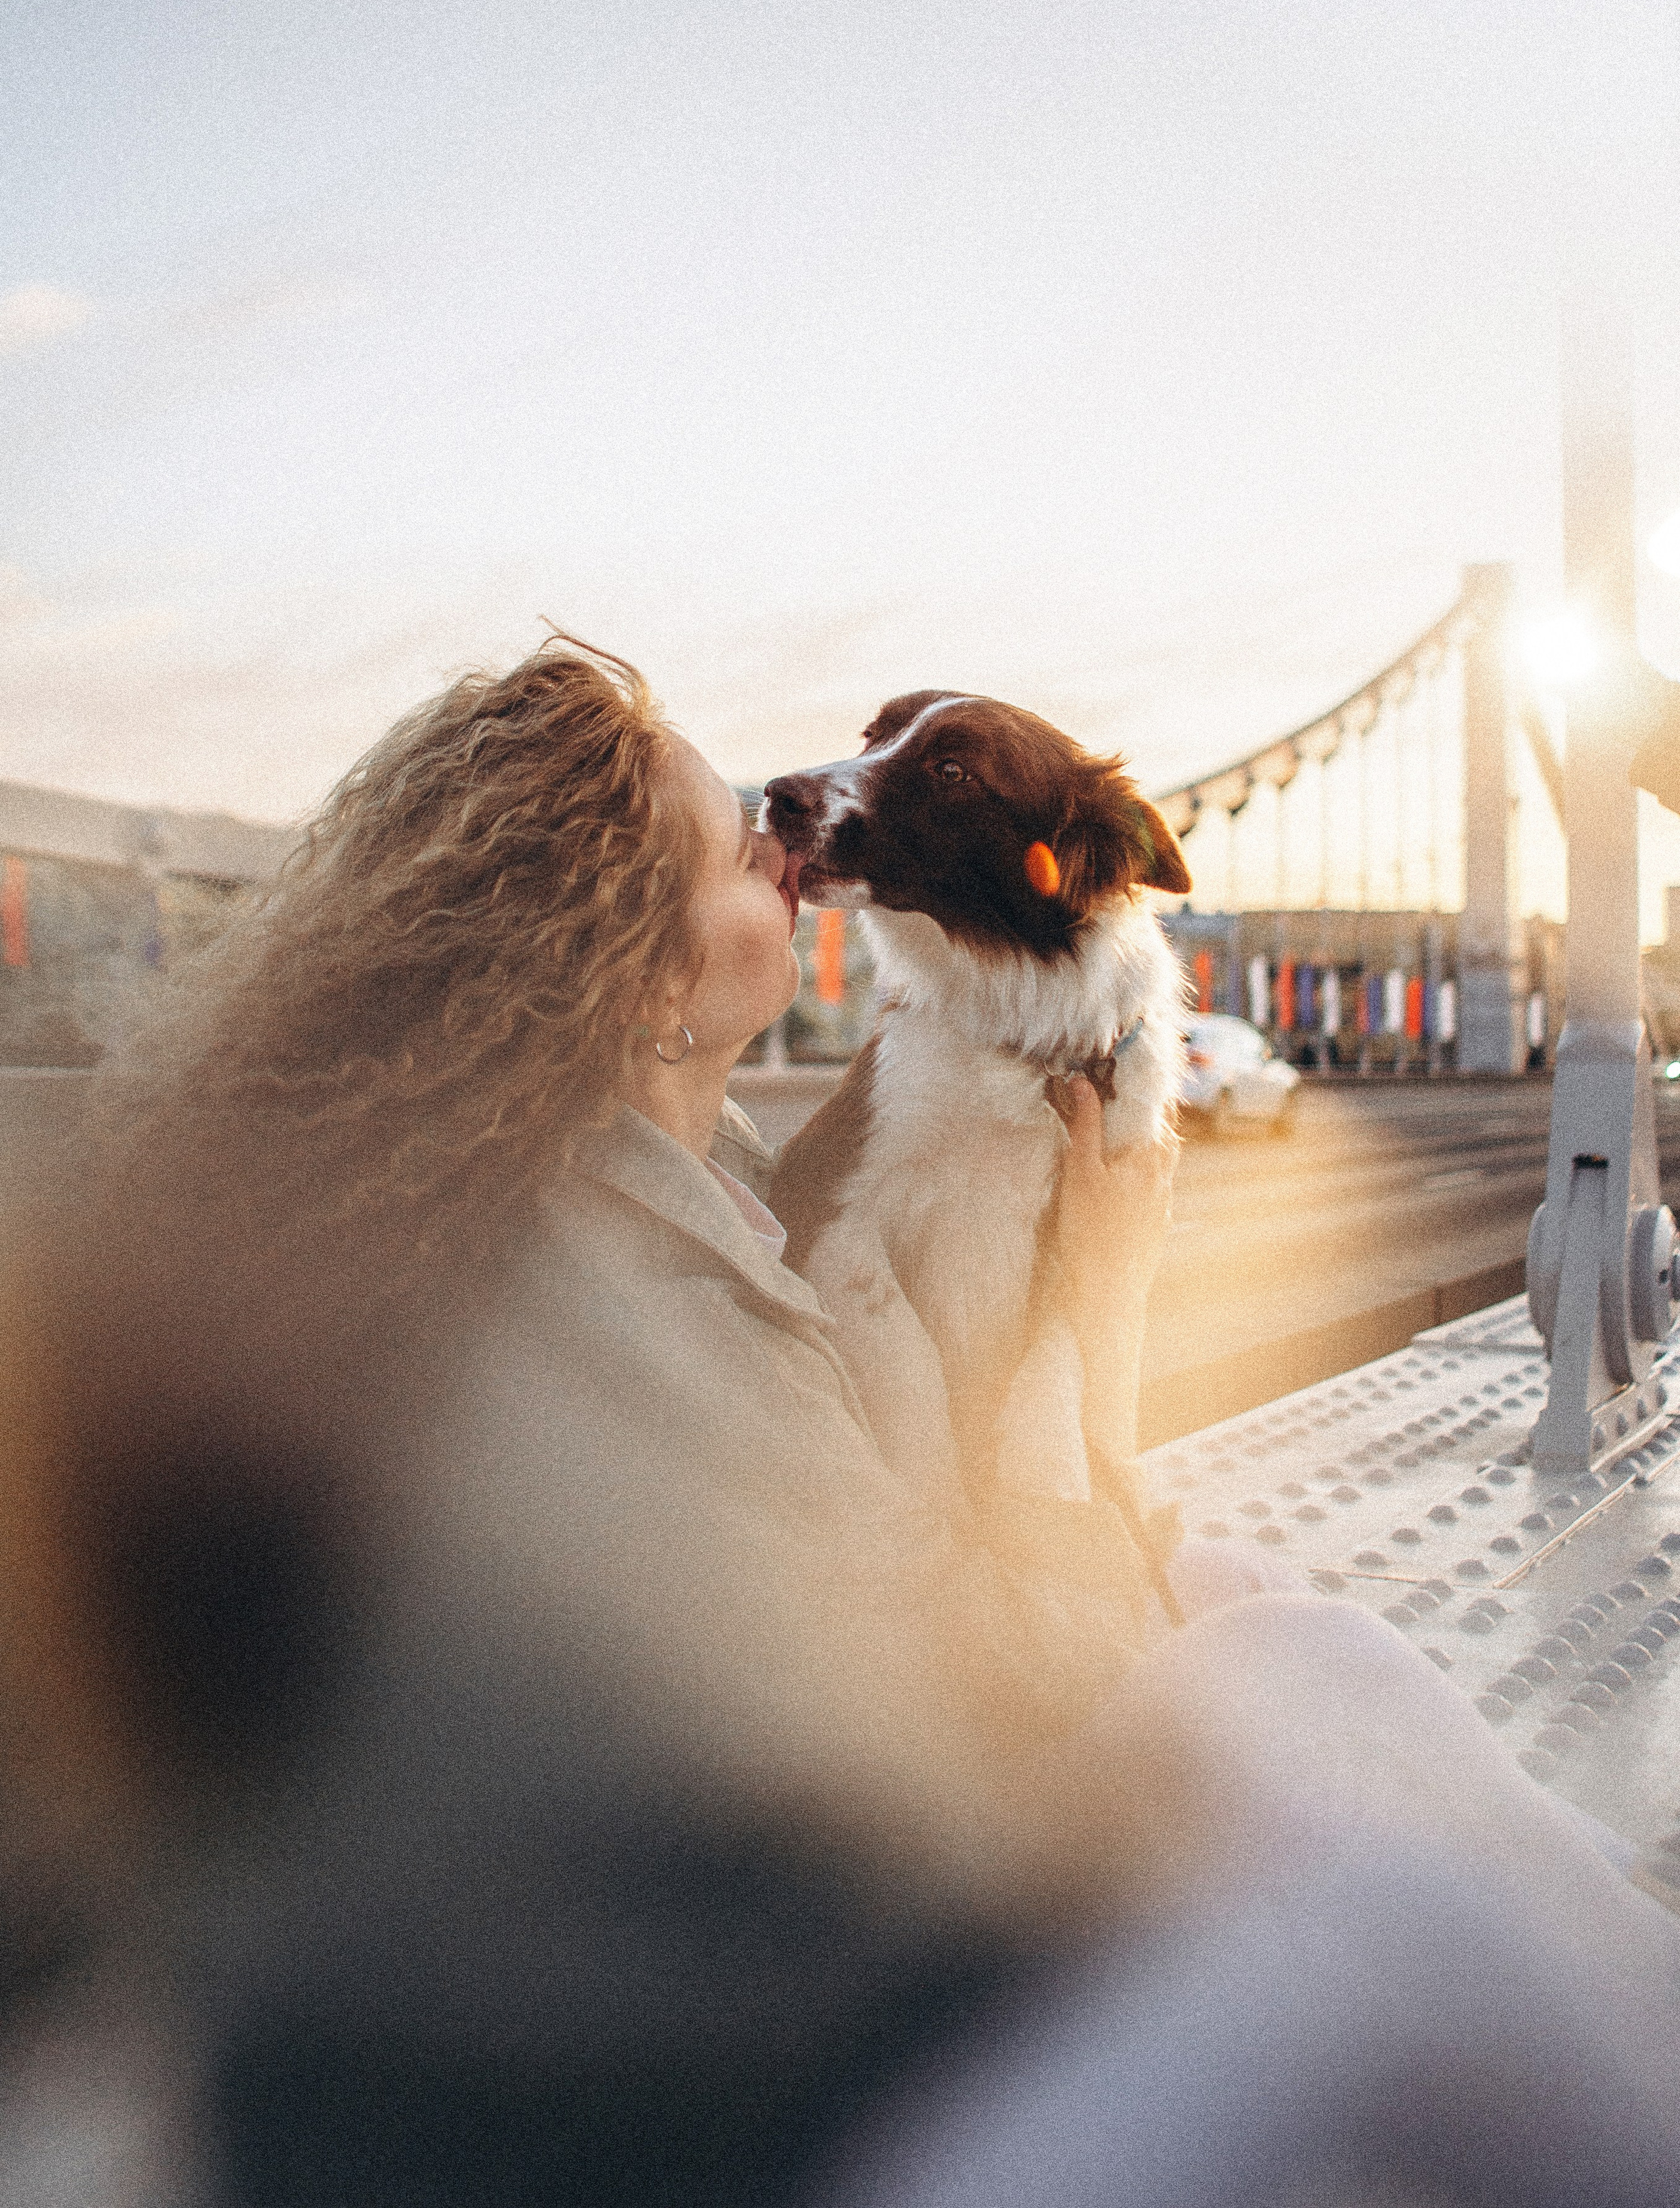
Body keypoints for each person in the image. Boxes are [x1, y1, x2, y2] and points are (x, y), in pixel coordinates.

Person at [3, 636, 1677, 2207]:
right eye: (736, 849)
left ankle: (1624, 1944)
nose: (791, 838)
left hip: (679, 1986)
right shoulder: (646, 1305)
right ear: (632, 965)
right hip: (681, 2120)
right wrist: (1105, 1279)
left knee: (1277, 1626)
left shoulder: (680, 1187)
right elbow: (987, 1693)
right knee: (1366, 1900)